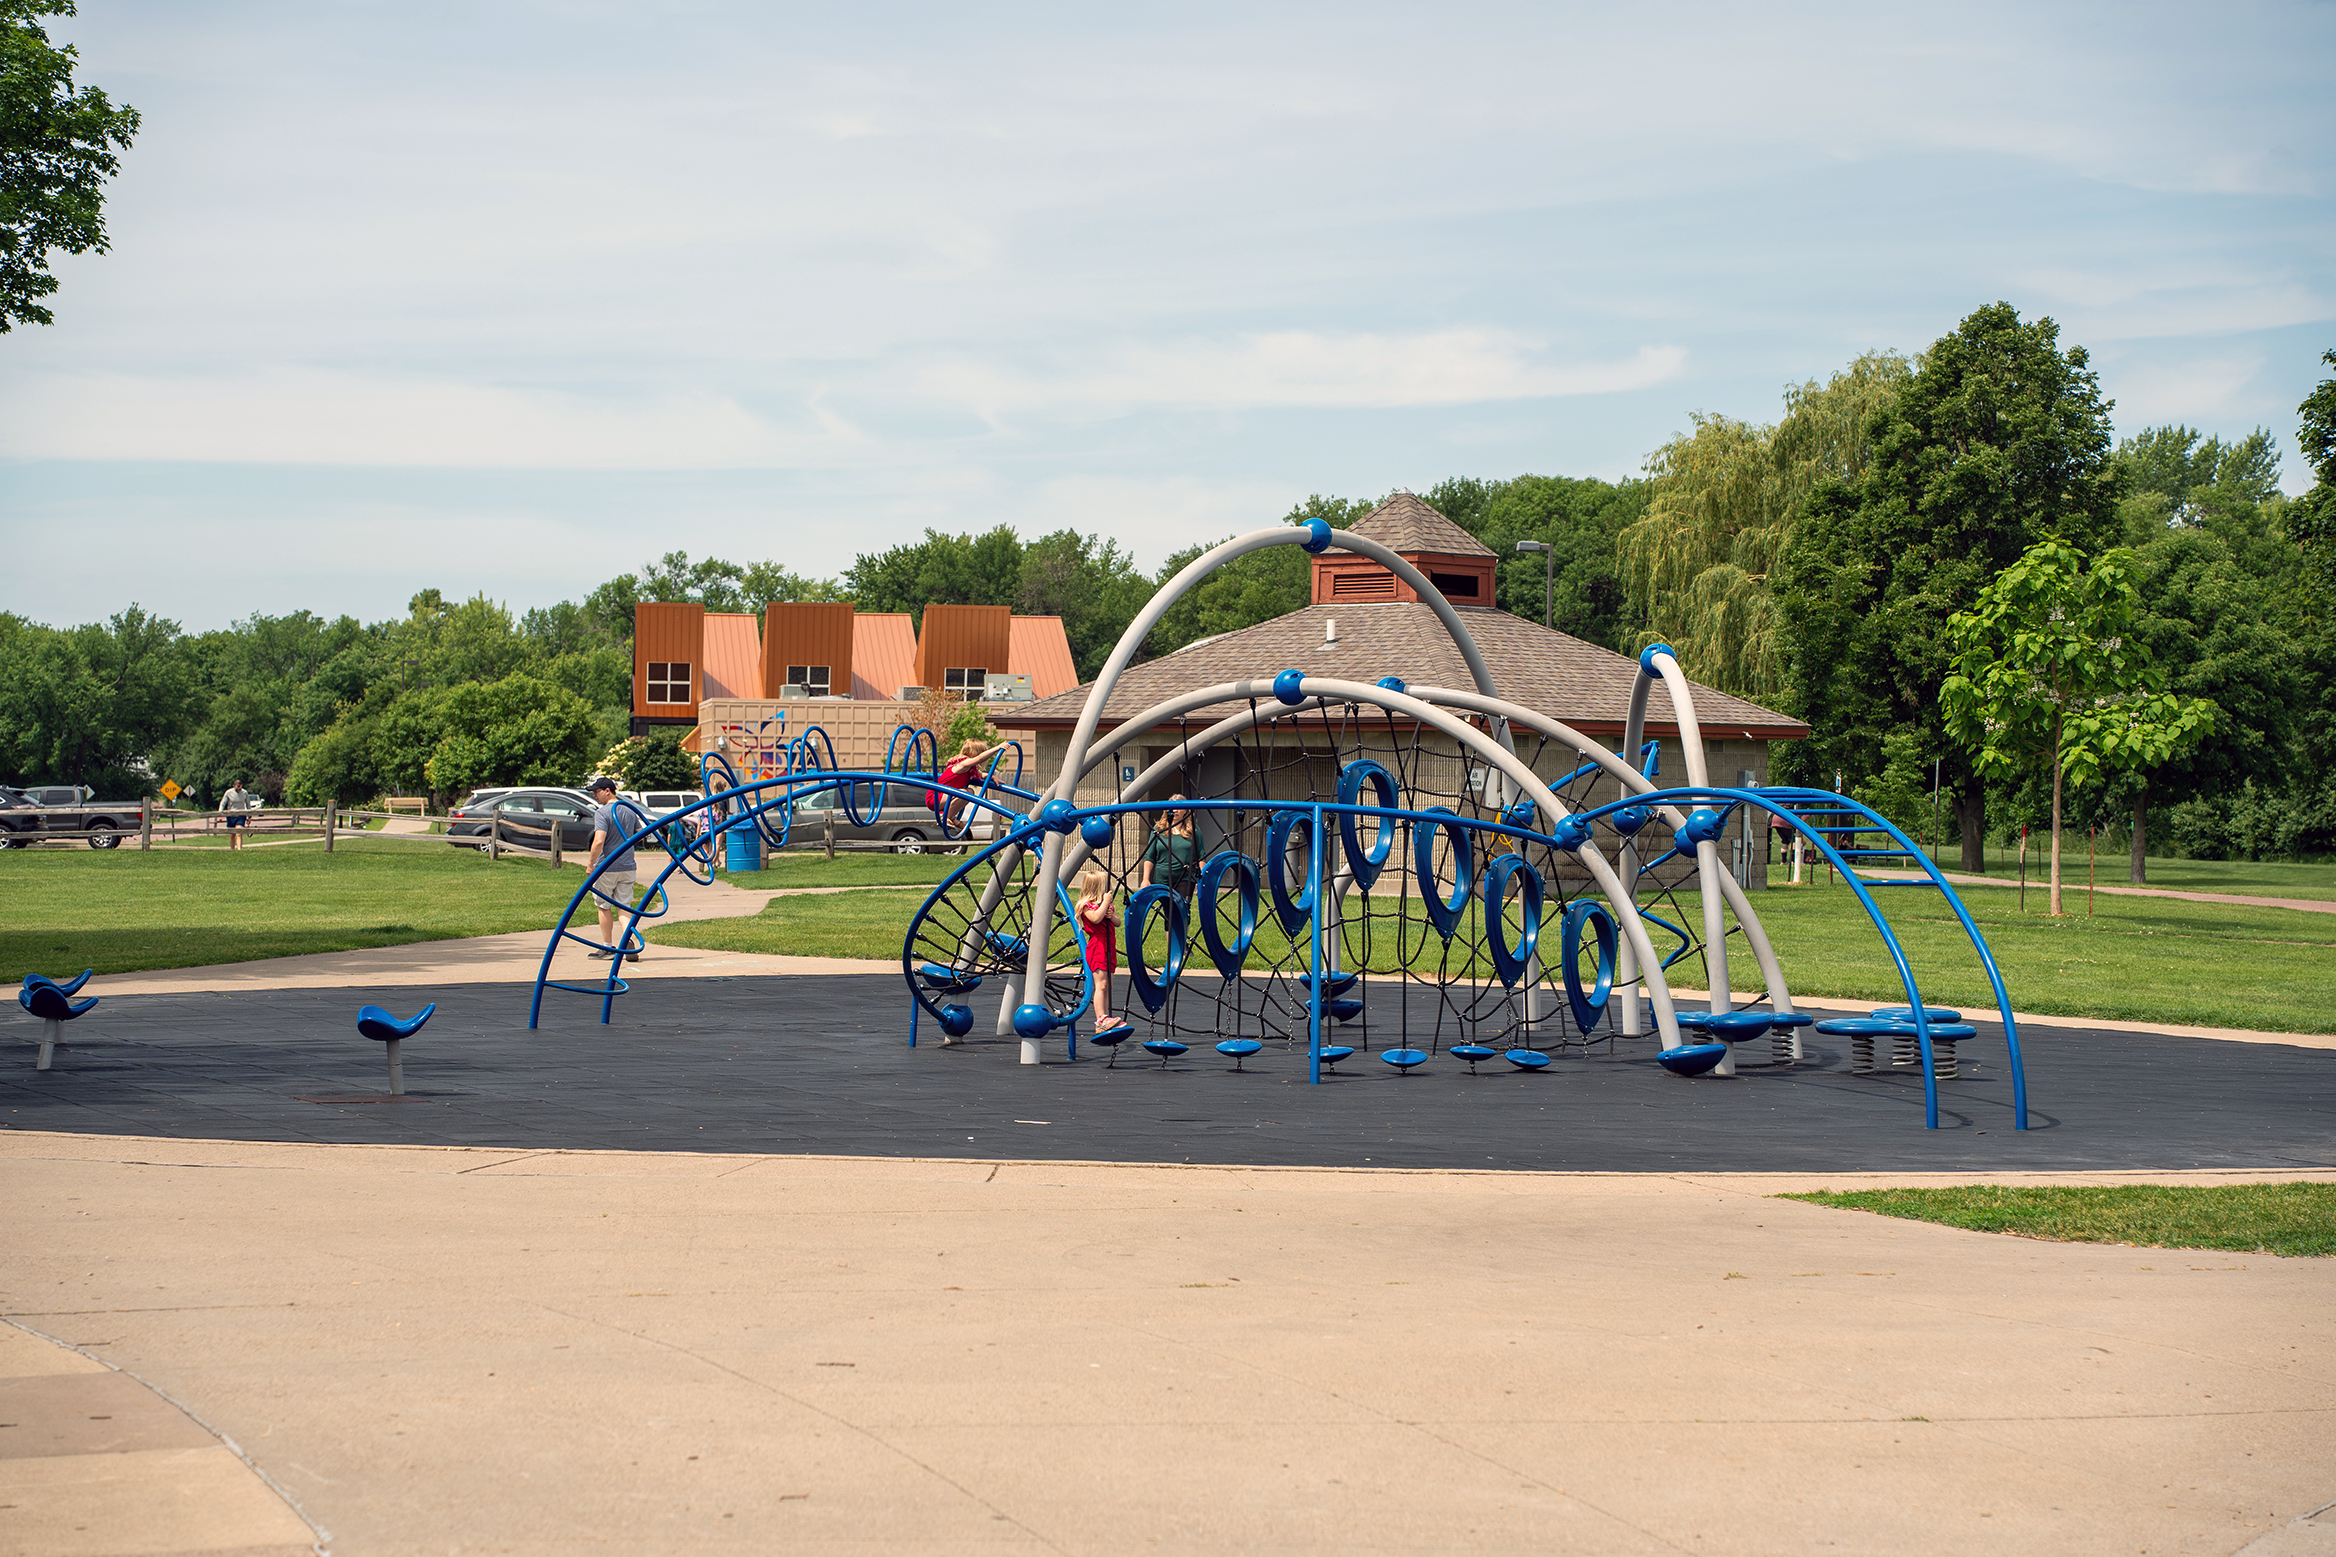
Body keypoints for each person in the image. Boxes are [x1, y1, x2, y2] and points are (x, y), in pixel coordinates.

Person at [584, 776, 644, 960]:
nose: (594, 795)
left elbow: (599, 840)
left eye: (597, 791)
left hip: (606, 867)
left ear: (607, 790)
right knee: (624, 906)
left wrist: (590, 865)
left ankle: (608, 947)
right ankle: (628, 939)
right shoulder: (628, 810)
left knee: (603, 906)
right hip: (627, 866)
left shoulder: (603, 813)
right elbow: (639, 834)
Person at [1074, 864, 1126, 1032]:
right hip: (1098, 946)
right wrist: (1105, 905)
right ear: (1096, 888)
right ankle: (1100, 1019)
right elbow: (1095, 919)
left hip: (1109, 946)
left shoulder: (1106, 906)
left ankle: (1106, 1018)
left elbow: (1118, 923)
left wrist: (1112, 916)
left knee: (1108, 985)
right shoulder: (1087, 906)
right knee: (1101, 984)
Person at [934, 737, 1009, 830]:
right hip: (936, 796)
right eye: (980, 752)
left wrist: (992, 777)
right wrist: (998, 748)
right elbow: (980, 758)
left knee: (970, 791)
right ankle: (946, 818)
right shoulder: (962, 764)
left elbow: (981, 774)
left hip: (945, 796)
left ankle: (951, 817)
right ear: (974, 753)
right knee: (965, 793)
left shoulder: (969, 769)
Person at [1136, 796, 1199, 899]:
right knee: (1168, 911)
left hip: (1185, 877)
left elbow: (1201, 855)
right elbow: (1149, 856)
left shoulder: (1193, 830)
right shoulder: (1158, 829)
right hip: (1162, 878)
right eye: (1172, 807)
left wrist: (1201, 880)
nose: (1175, 810)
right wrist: (1145, 879)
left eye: (1179, 807)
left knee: (1182, 909)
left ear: (1186, 810)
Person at [218, 778, 256, 852]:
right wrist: (220, 814)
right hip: (231, 815)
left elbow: (248, 804)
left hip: (241, 815)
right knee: (232, 834)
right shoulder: (228, 792)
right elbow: (223, 803)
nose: (238, 790)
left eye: (240, 789)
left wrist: (249, 816)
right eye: (237, 789)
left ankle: (239, 850)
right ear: (233, 786)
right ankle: (232, 850)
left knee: (239, 832)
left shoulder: (245, 793)